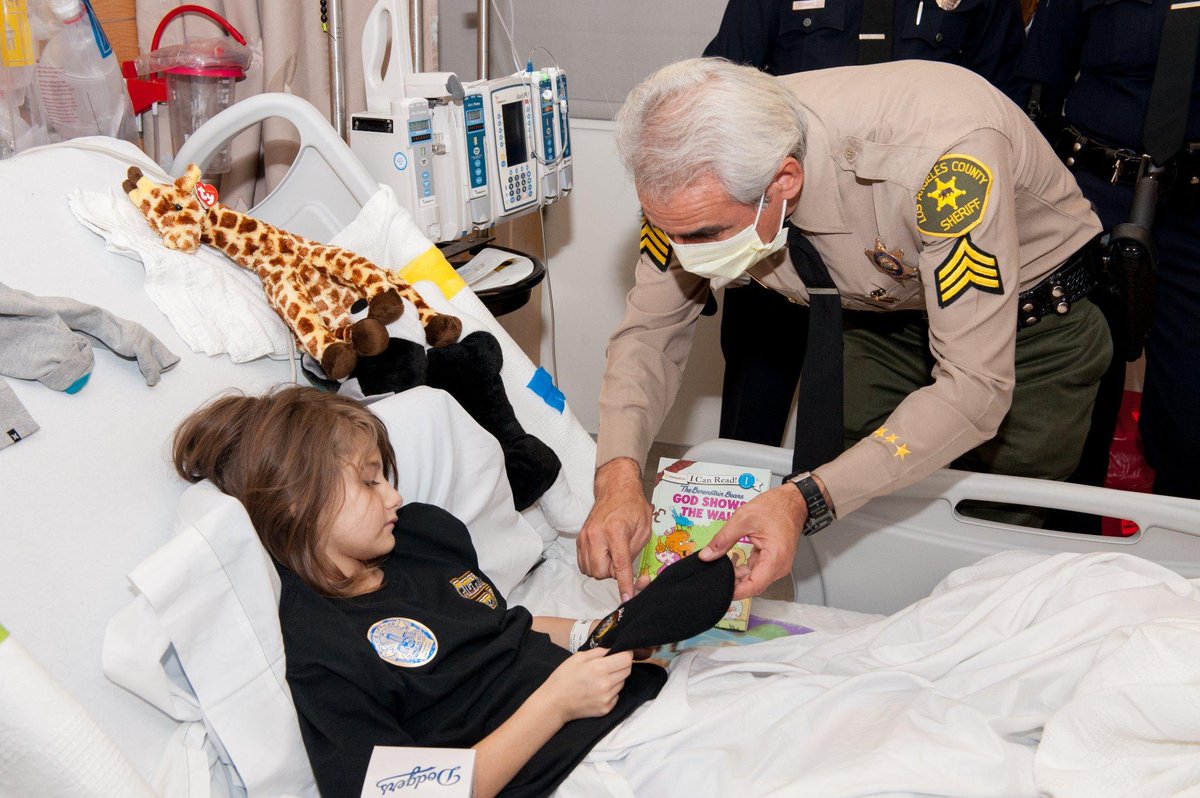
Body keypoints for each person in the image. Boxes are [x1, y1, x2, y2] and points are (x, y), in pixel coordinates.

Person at [580, 58, 1111, 603]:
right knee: (865, 515)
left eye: (706, 235)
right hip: (886, 318)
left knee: (988, 546)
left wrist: (801, 500)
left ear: (784, 180)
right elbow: (650, 331)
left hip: (1031, 332)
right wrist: (618, 474)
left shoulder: (944, 162)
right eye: (675, 234)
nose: (686, 255)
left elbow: (973, 389)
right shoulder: (692, 181)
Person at [169, 386, 667, 798]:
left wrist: (597, 632)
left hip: (621, 710)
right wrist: (556, 703)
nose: (395, 496)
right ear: (298, 501)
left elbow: (499, 627)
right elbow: (405, 791)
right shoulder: (321, 646)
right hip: (561, 770)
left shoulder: (422, 537)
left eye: (383, 476)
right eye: (368, 482)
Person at [697, 0, 1028, 447]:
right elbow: (718, 95)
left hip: (904, 264)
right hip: (783, 242)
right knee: (749, 427)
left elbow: (1002, 104)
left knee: (889, 442)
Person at [1014, 0, 1200, 501]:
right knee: (1070, 407)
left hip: (1194, 223)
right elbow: (1036, 86)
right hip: (1090, 204)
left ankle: (1180, 571)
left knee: (1190, 425)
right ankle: (1063, 559)